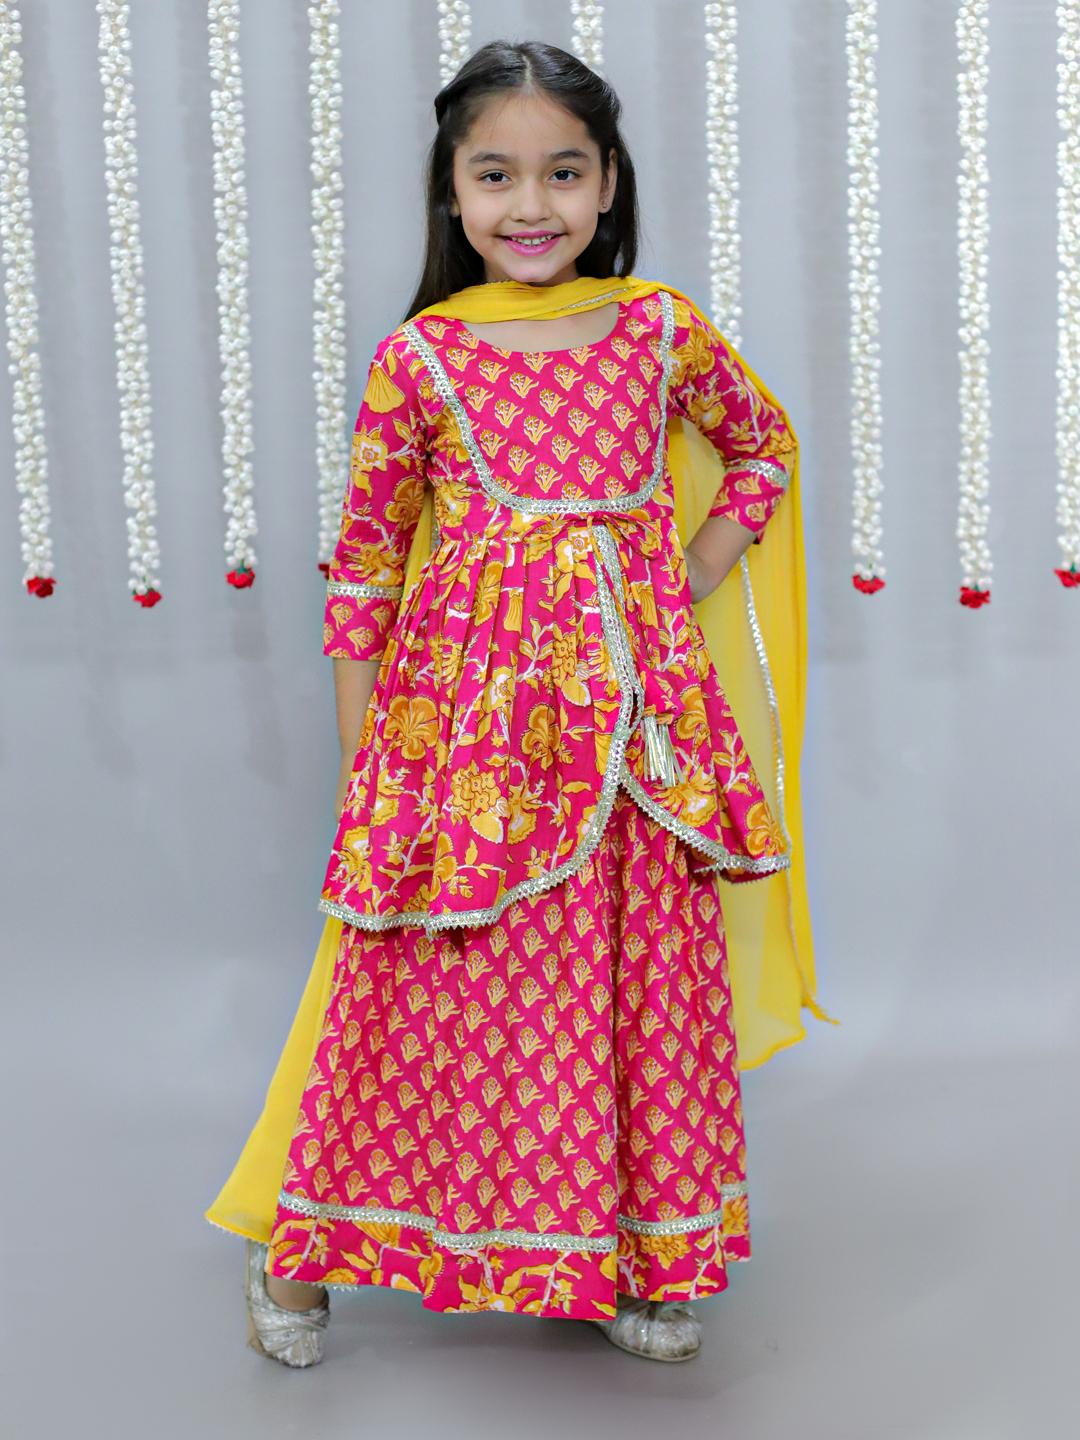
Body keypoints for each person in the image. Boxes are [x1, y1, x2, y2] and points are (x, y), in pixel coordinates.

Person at [205, 36, 837, 1368]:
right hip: (469, 744)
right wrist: (368, 758)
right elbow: (367, 570)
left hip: (638, 738)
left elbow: (763, 451)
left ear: (609, 183)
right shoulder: (423, 358)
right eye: (495, 175)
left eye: (564, 172)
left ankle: (633, 1254)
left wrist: (678, 574)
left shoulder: (659, 330)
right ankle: (298, 1251)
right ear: (452, 189)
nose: (532, 205)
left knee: (635, 983)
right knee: (428, 997)